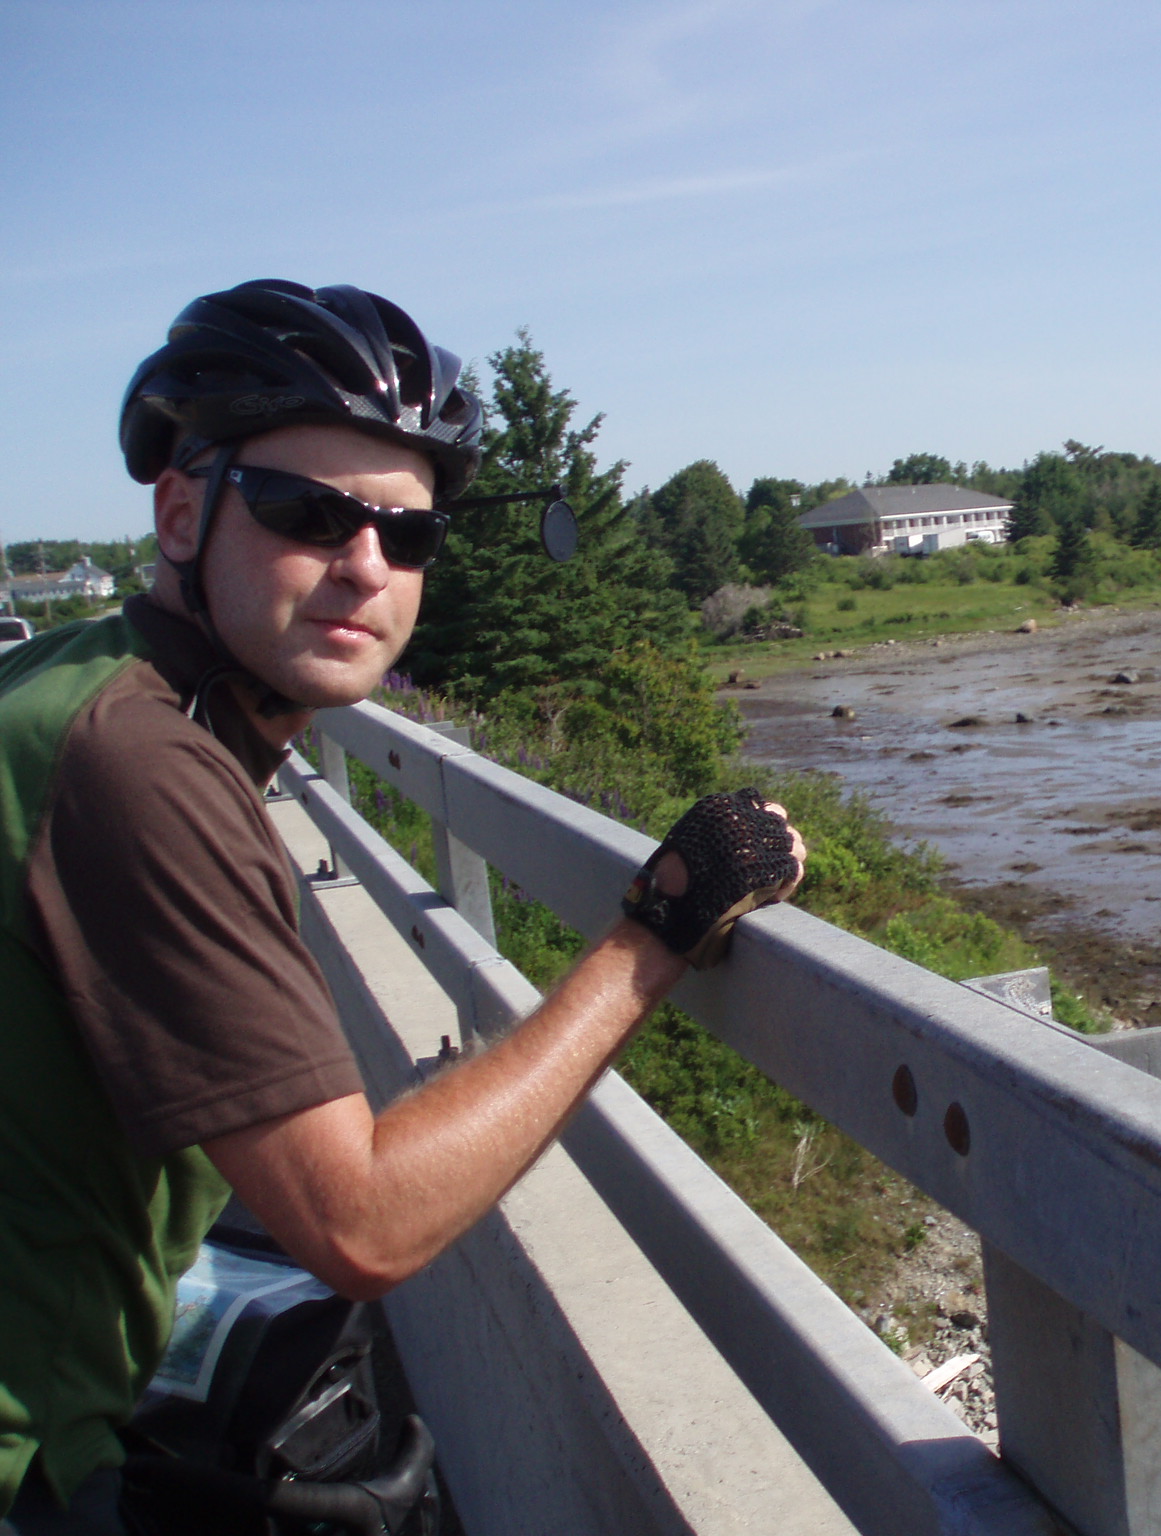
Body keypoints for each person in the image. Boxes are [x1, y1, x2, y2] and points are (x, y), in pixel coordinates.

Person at [0, 280, 804, 1531]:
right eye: (307, 512)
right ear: (178, 509)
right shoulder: (138, 762)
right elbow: (361, 1221)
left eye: (407, 534)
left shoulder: (81, 685)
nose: (363, 566)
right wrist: (653, 929)